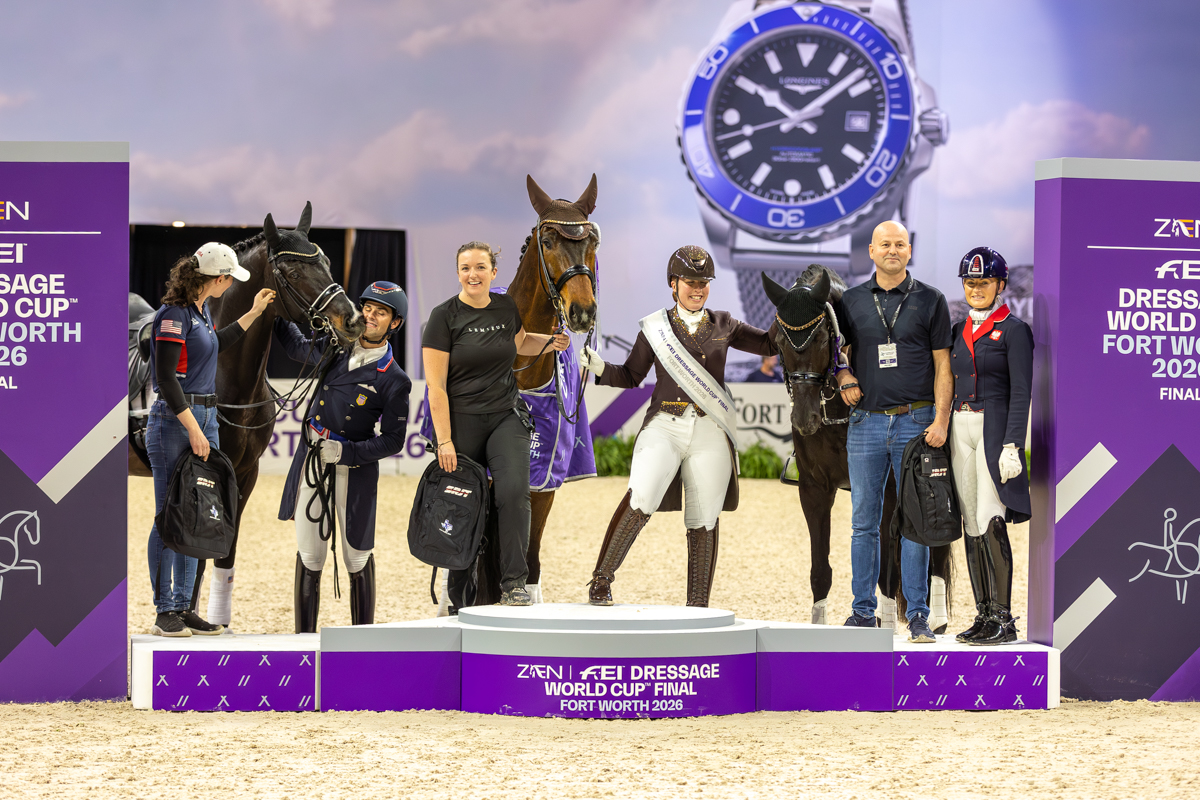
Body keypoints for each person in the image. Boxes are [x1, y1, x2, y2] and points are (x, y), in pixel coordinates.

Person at [581, 245, 776, 607]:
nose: (698, 287)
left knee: (705, 515)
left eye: (703, 281)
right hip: (664, 425)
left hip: (709, 430)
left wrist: (789, 308)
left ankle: (698, 603)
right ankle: (601, 581)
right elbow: (630, 375)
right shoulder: (656, 327)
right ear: (673, 284)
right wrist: (598, 368)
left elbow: (768, 344)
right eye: (690, 281)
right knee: (641, 495)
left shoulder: (725, 323)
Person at [422, 241, 569, 607]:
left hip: (506, 416)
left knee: (515, 492)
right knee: (462, 503)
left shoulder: (506, 307)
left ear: (493, 272)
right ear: (458, 272)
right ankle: (457, 590)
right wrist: (444, 441)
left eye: (480, 267)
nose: (473, 274)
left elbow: (521, 343)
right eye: (466, 267)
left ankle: (514, 584)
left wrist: (551, 343)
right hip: (462, 420)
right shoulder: (443, 317)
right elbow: (435, 388)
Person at [147, 243, 274, 637]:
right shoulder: (173, 316)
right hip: (175, 420)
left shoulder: (201, 314)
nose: (229, 286)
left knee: (196, 513)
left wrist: (253, 312)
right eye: (228, 280)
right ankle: (164, 609)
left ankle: (185, 606)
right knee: (169, 514)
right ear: (216, 280)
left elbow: (221, 343)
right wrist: (194, 427)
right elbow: (166, 380)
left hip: (204, 416)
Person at [835, 221, 952, 643]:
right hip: (865, 421)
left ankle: (917, 615)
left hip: (916, 422)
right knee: (863, 523)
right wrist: (844, 373)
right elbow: (837, 354)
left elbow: (943, 365)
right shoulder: (850, 301)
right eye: (885, 244)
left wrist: (941, 420)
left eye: (899, 244)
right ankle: (862, 612)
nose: (892, 250)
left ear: (908, 250)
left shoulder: (931, 300)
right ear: (871, 251)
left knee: (915, 523)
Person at [276, 281, 413, 632]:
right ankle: (303, 642)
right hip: (312, 460)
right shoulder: (337, 345)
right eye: (367, 308)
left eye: (380, 313)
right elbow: (297, 348)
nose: (370, 316)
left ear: (394, 323)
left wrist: (349, 452)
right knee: (310, 555)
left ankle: (361, 642)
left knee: (356, 557)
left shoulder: (395, 380)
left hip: (353, 469)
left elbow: (394, 441)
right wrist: (278, 312)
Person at [949, 247, 1033, 646]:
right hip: (958, 425)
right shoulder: (957, 329)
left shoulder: (1015, 330)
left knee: (989, 515)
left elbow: (1021, 392)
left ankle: (1004, 617)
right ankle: (983, 614)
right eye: (970, 282)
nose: (976, 288)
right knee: (969, 521)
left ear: (999, 285)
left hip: (993, 427)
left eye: (983, 282)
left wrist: (1014, 443)